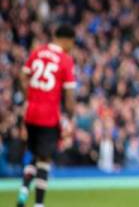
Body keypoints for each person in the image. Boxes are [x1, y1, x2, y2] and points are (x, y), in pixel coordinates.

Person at [16, 25, 77, 207]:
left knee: (34, 152)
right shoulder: (65, 60)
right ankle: (39, 204)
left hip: (31, 112)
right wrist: (70, 118)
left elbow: (22, 76)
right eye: (72, 43)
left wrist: (30, 97)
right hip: (48, 115)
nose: (71, 47)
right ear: (66, 40)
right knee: (45, 159)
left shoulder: (37, 52)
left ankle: (24, 190)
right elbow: (69, 97)